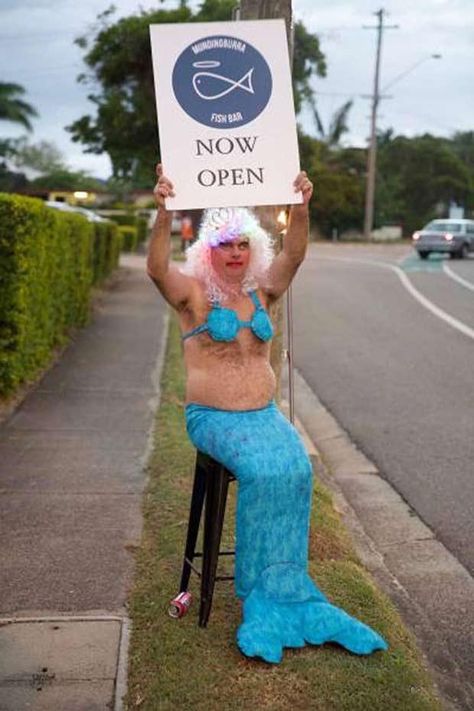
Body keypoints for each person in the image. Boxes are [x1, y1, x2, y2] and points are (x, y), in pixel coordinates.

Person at [147, 163, 388, 664]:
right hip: (214, 419)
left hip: (263, 415)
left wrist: (300, 209)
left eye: (242, 246)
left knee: (296, 470)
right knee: (261, 472)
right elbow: (155, 269)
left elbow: (294, 255)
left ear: (252, 249)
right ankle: (258, 598)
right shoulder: (192, 296)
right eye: (224, 245)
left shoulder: (263, 293)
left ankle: (291, 592)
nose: (234, 254)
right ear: (208, 250)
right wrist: (163, 212)